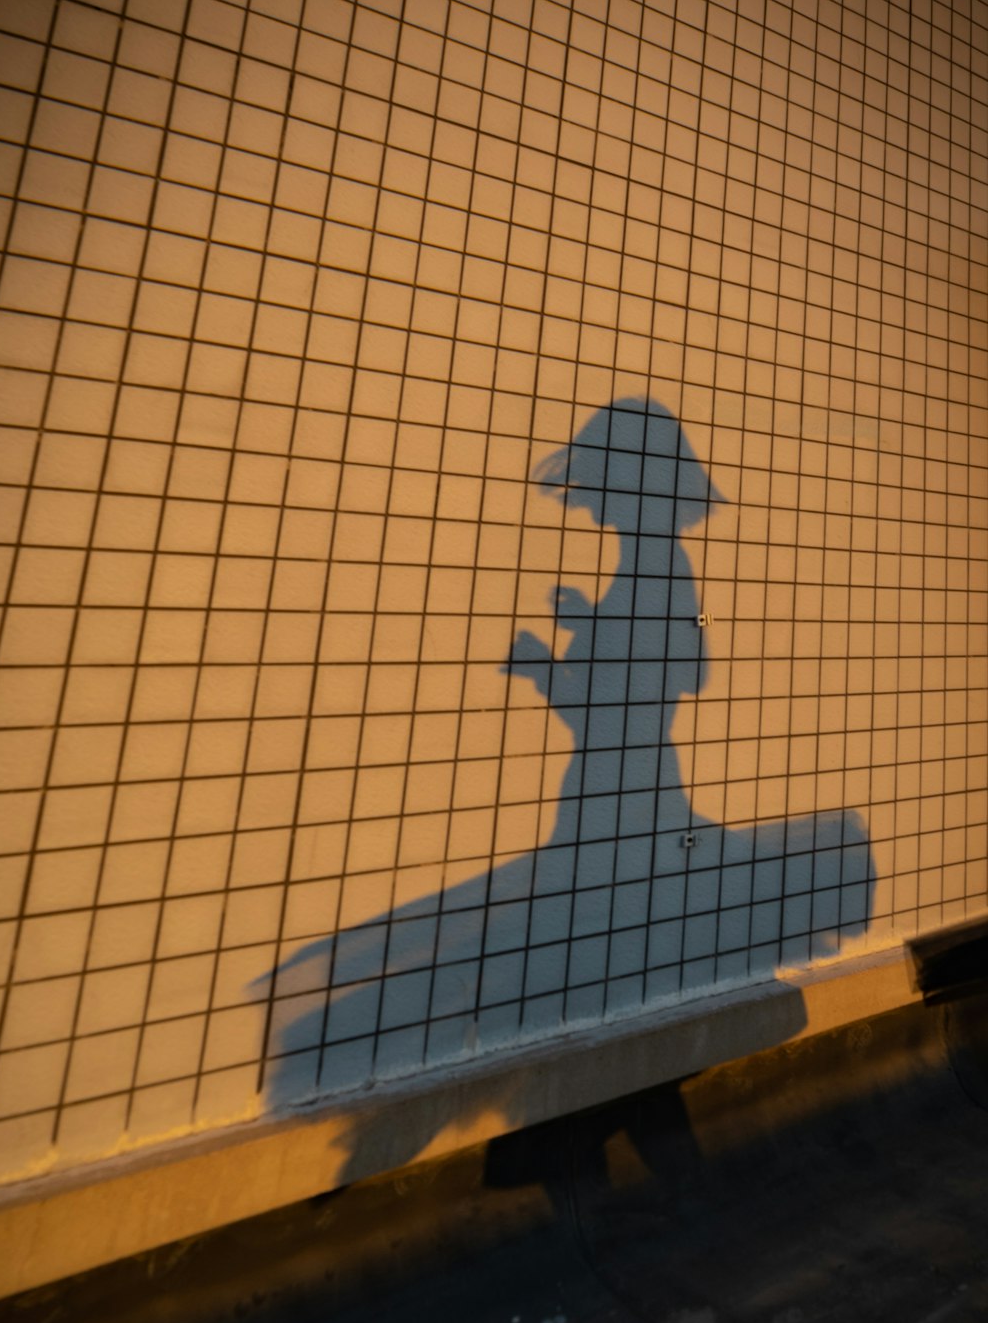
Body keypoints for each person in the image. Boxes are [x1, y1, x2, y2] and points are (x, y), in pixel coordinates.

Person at [258, 398, 872, 1112]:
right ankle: (637, 1102)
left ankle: (613, 1099)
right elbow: (691, 665)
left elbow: (610, 707)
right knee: (612, 929)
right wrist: (594, 622)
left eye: (601, 477)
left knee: (590, 927)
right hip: (639, 778)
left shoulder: (650, 569)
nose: (588, 501)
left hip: (617, 781)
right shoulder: (664, 563)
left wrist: (541, 664)